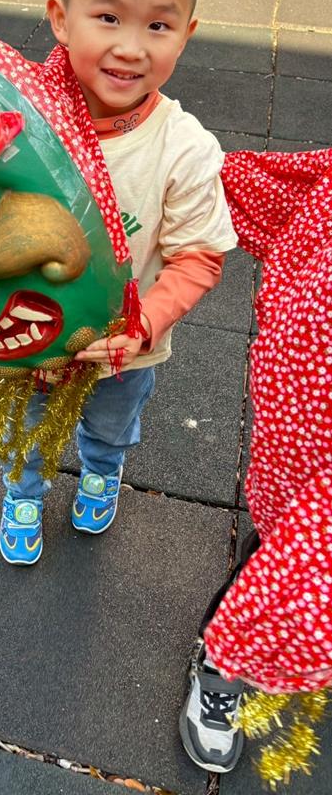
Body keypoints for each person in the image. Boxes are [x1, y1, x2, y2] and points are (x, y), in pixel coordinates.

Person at [0, 0, 237, 567]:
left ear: (186, 34)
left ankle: (102, 471)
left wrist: (144, 324)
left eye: (158, 25)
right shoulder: (18, 119)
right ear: (61, 18)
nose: (131, 48)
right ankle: (24, 492)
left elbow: (197, 258)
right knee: (26, 430)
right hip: (31, 336)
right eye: (107, 17)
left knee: (110, 424)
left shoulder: (183, 148)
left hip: (126, 350)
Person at [180, 147, 332, 776]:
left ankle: (246, 644)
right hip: (300, 419)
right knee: (276, 557)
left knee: (296, 574)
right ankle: (222, 661)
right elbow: (295, 194)